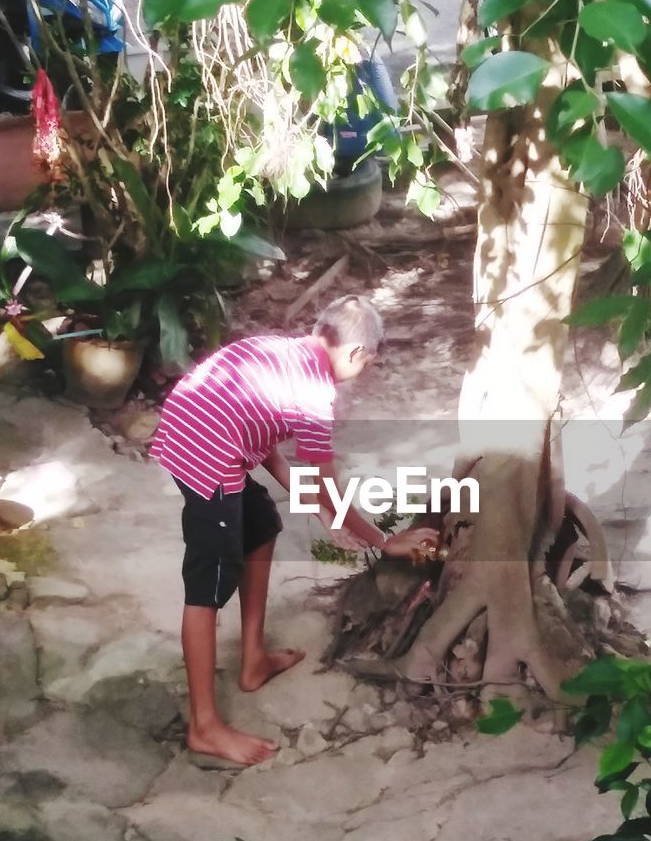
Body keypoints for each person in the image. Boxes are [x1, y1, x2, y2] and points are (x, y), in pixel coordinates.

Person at [150, 295, 438, 768]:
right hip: (204, 458)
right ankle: (204, 725)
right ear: (356, 354)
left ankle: (253, 660)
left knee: (262, 522)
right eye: (368, 362)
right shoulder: (314, 394)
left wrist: (325, 512)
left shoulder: (278, 351)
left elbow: (263, 441)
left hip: (191, 430)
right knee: (207, 586)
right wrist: (383, 541)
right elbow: (324, 481)